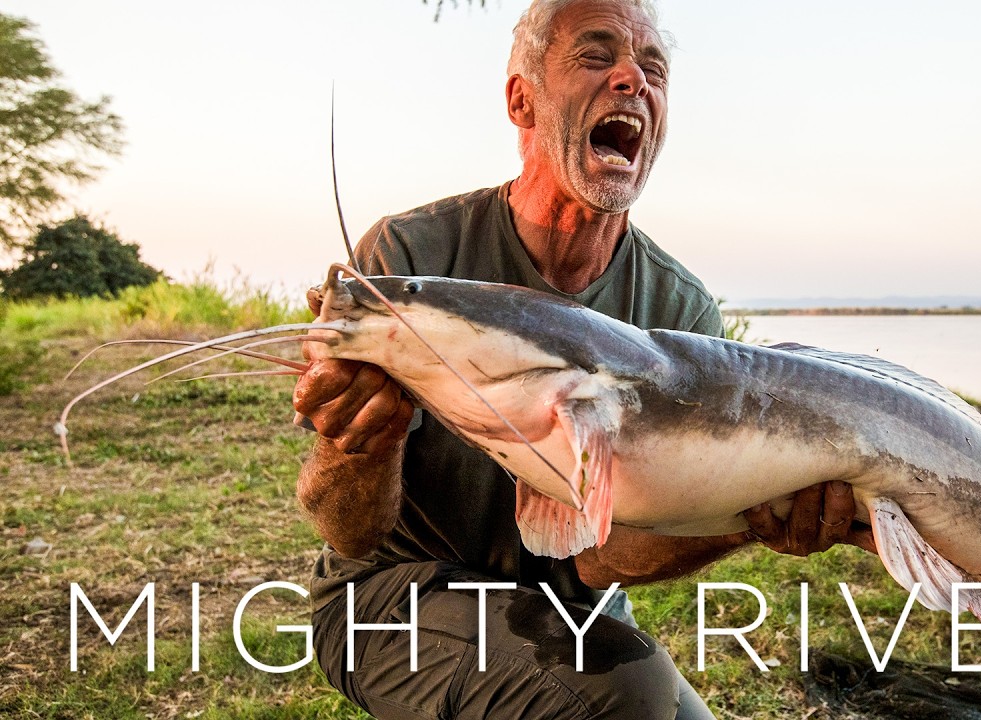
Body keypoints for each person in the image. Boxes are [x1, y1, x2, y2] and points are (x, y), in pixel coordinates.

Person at [292, 1, 874, 718]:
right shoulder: (408, 262)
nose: (633, 79)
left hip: (568, 608)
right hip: (391, 596)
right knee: (633, 702)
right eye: (597, 56)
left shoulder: (682, 312)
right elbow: (348, 531)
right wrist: (357, 446)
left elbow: (599, 560)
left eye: (653, 68)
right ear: (521, 99)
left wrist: (748, 514)